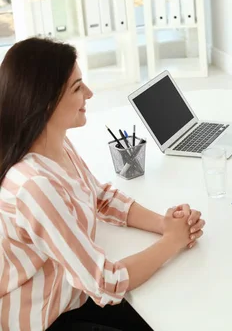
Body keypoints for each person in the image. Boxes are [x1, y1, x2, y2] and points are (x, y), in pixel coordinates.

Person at [0, 38, 206, 330]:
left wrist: (165, 224)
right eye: (77, 87)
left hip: (68, 296)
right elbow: (106, 283)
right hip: (41, 320)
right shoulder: (34, 186)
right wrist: (173, 240)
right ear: (45, 104)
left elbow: (100, 197)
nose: (90, 93)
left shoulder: (54, 144)